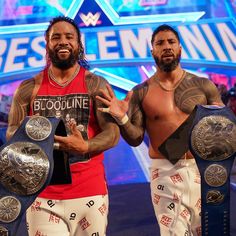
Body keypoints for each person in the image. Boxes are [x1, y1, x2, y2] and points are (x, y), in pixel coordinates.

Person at [96, 24, 224, 236]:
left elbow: (222, 133)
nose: (166, 47)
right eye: (160, 43)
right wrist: (122, 118)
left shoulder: (204, 86)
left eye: (171, 42)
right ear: (152, 51)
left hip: (202, 170)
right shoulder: (141, 92)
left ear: (180, 48)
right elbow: (136, 138)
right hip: (164, 172)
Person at [6, 16, 120, 236]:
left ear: (78, 44)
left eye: (69, 36)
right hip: (42, 193)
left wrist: (84, 147)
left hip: (89, 191)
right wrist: (34, 140)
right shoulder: (28, 88)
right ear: (47, 44)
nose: (63, 41)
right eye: (55, 37)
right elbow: (12, 132)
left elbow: (112, 133)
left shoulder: (95, 84)